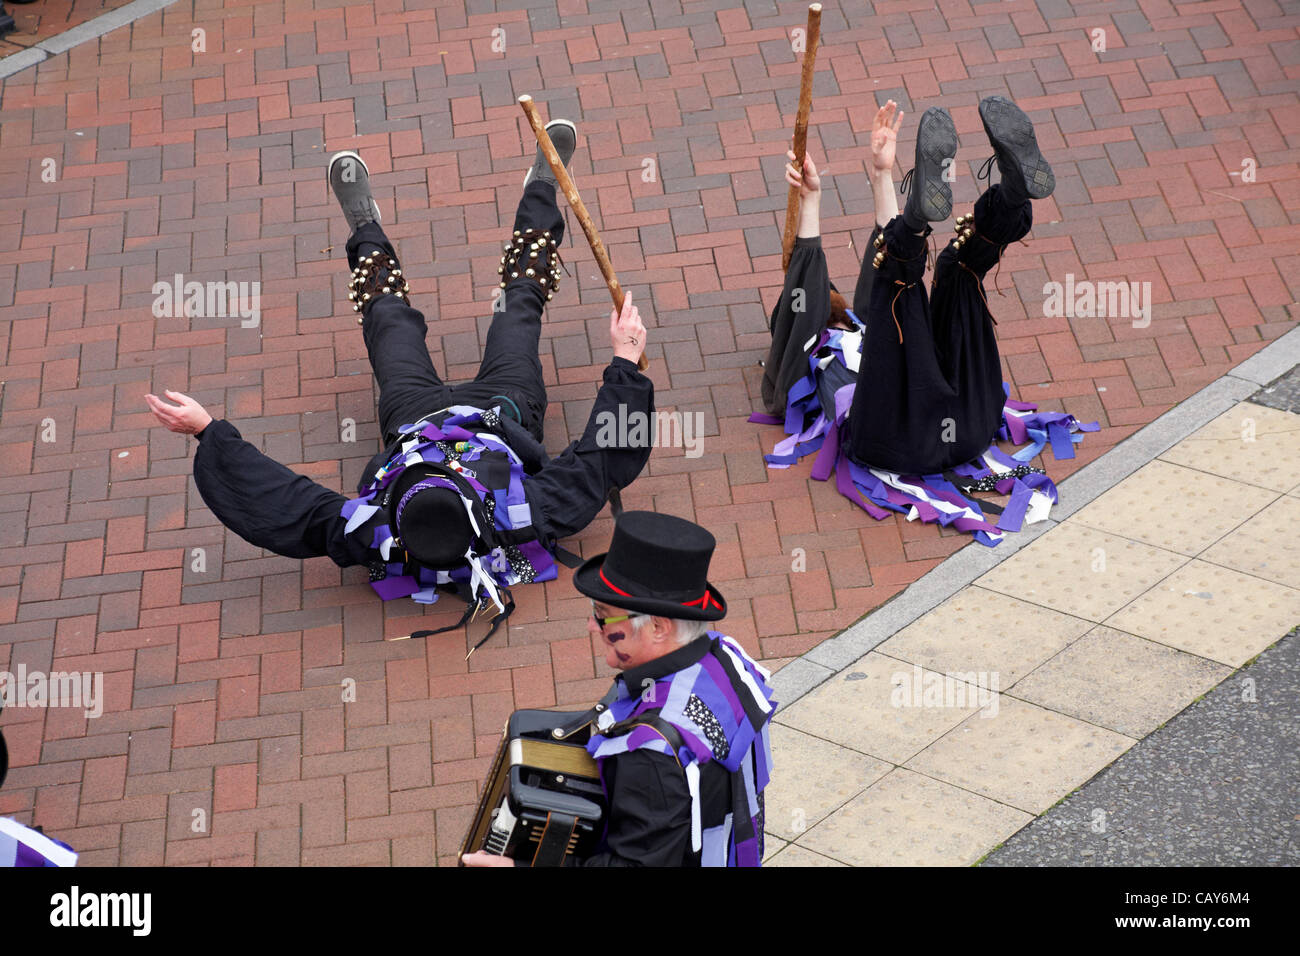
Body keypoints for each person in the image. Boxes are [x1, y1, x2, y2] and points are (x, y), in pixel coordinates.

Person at [146, 121, 655, 648]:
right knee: (518, 309)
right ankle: (543, 186)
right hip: (501, 412)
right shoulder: (524, 514)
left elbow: (289, 501)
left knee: (387, 319)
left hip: (413, 418)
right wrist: (624, 360)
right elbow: (601, 456)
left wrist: (209, 432)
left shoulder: (374, 531)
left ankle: (364, 226)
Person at [757, 97, 1095, 545]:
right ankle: (930, 219)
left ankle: (1008, 197)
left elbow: (884, 266)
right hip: (936, 429)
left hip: (944, 425)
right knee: (909, 283)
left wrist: (881, 173)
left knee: (955, 271)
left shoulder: (867, 321)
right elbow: (815, 284)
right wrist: (813, 203)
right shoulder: (812, 353)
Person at [462, 511, 776, 867]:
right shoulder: (725, 657)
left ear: (657, 627)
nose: (591, 626)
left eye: (602, 615)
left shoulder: (649, 758)